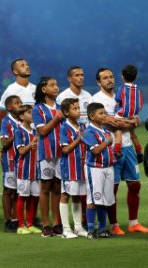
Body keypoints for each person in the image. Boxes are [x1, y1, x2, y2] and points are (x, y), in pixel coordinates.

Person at [92, 67, 144, 236]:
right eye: (105, 78)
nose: (110, 80)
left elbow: (136, 117)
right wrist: (132, 122)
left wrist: (133, 121)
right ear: (99, 82)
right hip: (110, 149)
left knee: (135, 185)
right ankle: (114, 224)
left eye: (111, 76)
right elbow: (112, 123)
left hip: (128, 147)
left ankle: (134, 223)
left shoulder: (124, 94)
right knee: (111, 189)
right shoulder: (97, 100)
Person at [33, 76, 63, 237]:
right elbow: (42, 131)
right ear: (43, 89)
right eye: (52, 85)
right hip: (46, 153)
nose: (56, 87)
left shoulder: (60, 107)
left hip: (60, 153)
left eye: (57, 84)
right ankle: (46, 224)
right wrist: (57, 118)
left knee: (57, 188)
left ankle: (57, 223)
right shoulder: (38, 109)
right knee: (45, 188)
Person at [82, 102, 115, 240]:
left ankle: (102, 228)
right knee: (94, 197)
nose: (104, 115)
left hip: (108, 168)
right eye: (101, 113)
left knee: (105, 199)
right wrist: (107, 142)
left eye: (104, 112)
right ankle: (91, 229)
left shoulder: (105, 131)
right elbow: (95, 150)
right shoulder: (89, 131)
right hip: (95, 169)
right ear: (92, 116)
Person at [58, 98, 88, 239]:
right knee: (65, 195)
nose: (78, 111)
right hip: (68, 168)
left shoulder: (82, 127)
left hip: (80, 167)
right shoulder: (64, 128)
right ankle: (66, 229)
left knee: (77, 196)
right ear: (66, 112)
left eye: (78, 107)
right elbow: (65, 150)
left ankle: (78, 227)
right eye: (74, 109)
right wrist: (79, 139)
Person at [14, 104, 41, 235]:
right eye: (30, 112)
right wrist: (31, 144)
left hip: (35, 171)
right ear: (22, 116)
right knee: (23, 197)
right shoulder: (19, 131)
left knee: (34, 197)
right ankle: (20, 225)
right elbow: (21, 151)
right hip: (24, 170)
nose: (32, 115)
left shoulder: (35, 131)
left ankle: (30, 223)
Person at [0, 95, 22, 233]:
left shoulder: (24, 120)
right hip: (11, 160)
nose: (19, 104)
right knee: (9, 191)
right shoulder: (6, 121)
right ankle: (8, 220)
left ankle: (16, 218)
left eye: (20, 102)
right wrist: (17, 134)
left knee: (19, 191)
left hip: (23, 161)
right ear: (8, 107)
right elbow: (5, 143)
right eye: (16, 103)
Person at [113, 64, 143, 160]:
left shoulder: (121, 88)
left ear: (123, 77)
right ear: (135, 77)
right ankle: (138, 151)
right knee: (133, 134)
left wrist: (117, 105)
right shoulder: (137, 89)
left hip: (122, 114)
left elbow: (117, 99)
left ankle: (117, 151)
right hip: (132, 115)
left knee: (118, 132)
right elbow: (140, 102)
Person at [0, 58, 36, 127]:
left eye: (27, 65)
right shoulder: (10, 90)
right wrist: (11, 133)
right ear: (15, 71)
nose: (27, 67)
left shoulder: (36, 89)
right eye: (22, 65)